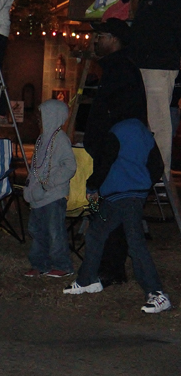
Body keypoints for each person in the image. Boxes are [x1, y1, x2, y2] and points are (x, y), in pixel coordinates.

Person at [63, 117, 170, 314]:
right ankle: (86, 280)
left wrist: (92, 187)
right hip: (125, 196)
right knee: (96, 233)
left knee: (134, 242)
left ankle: (157, 293)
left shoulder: (116, 132)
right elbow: (157, 166)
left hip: (122, 195)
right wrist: (142, 185)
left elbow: (104, 163)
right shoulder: (144, 132)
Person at [85, 19, 147, 287]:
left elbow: (118, 116)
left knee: (111, 209)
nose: (95, 40)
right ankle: (108, 265)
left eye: (100, 35)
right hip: (113, 150)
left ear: (114, 39)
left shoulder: (121, 70)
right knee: (109, 209)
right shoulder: (116, 68)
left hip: (116, 154)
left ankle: (111, 267)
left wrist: (106, 148)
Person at [129, 0, 181, 180]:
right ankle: (153, 174)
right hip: (151, 64)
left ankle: (162, 176)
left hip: (158, 66)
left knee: (158, 122)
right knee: (150, 121)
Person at [23, 100, 76, 278]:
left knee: (54, 232)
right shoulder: (41, 139)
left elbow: (70, 166)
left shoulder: (60, 139)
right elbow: (36, 166)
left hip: (53, 195)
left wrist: (50, 182)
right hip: (38, 195)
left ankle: (62, 265)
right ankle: (40, 264)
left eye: (43, 116)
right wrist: (30, 186)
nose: (40, 119)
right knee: (37, 230)